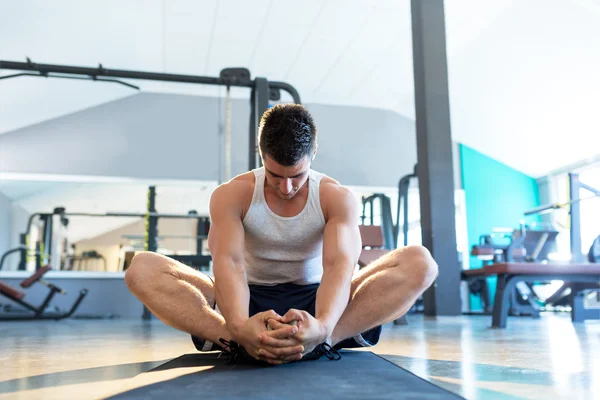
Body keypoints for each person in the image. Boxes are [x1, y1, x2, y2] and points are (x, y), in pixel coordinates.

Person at [125, 103, 438, 365]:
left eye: (297, 175)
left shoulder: (335, 197)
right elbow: (230, 264)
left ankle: (324, 341)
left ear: (314, 152)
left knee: (420, 263)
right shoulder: (232, 194)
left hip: (320, 298)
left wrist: (324, 325)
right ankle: (237, 341)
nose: (286, 187)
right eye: (275, 175)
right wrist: (236, 325)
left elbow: (339, 267)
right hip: (246, 297)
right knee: (141, 269)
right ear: (260, 153)